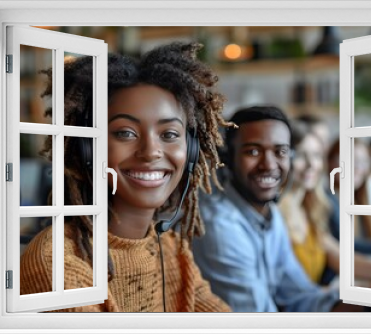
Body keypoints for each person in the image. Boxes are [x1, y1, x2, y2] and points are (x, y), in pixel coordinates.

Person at [20, 42, 232, 312]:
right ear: (87, 146)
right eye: (125, 133)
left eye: (169, 134)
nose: (151, 152)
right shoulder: (58, 264)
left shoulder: (170, 248)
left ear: (189, 152)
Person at [192, 106, 359, 312]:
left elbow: (301, 296)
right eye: (253, 151)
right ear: (227, 159)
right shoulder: (219, 225)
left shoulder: (271, 216)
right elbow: (260, 321)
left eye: (280, 151)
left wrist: (369, 308)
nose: (269, 165)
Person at [280, 119, 371, 290]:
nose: (312, 164)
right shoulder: (276, 217)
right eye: (300, 155)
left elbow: (344, 257)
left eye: (316, 155)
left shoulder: (311, 209)